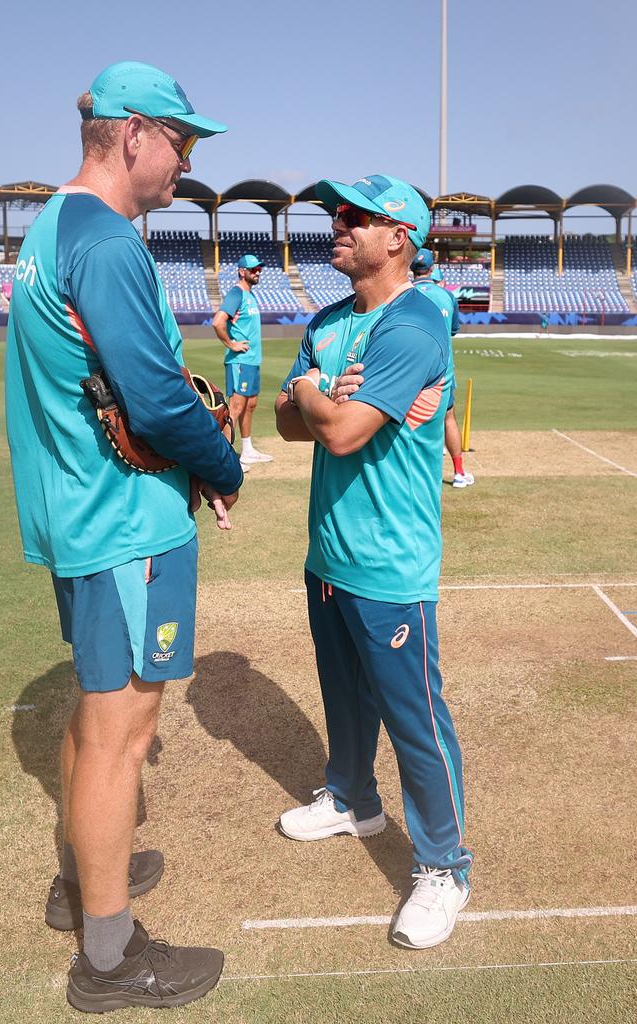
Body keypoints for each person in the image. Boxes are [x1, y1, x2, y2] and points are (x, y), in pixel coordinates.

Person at [4, 60, 243, 1013]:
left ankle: (82, 883)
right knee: (121, 733)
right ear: (134, 133)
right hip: (124, 522)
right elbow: (151, 398)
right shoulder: (108, 243)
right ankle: (109, 960)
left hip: (78, 511)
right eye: (182, 142)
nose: (186, 162)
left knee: (92, 708)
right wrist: (223, 468)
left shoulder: (51, 225)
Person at [275, 174, 473, 950]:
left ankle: (444, 867)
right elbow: (294, 424)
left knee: (417, 721)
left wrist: (314, 396)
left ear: (401, 237)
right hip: (330, 555)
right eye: (335, 215)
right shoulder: (329, 321)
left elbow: (340, 431)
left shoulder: (414, 325)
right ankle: (352, 797)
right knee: (345, 696)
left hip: (392, 563)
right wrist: (312, 391)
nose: (337, 225)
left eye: (356, 217)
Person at [411, 250, 474, 488]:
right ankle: (458, 473)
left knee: (407, 421)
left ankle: (417, 476)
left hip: (410, 371)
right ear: (431, 268)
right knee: (448, 418)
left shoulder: (404, 293)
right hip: (443, 372)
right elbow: (453, 330)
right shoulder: (446, 296)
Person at [212, 254, 273, 469]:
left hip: (252, 361)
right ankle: (224, 459)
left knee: (250, 405)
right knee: (235, 408)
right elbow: (218, 322)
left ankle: (247, 451)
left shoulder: (251, 295)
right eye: (253, 269)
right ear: (242, 271)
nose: (258, 272)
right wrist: (231, 344)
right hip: (240, 361)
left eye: (259, 269)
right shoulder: (236, 294)